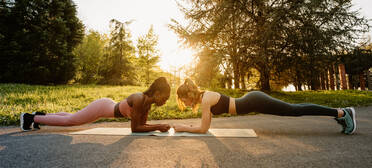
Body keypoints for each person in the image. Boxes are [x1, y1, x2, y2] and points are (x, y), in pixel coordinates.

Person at [173, 78, 356, 135]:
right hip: (254, 102)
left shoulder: (205, 100)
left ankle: (342, 112)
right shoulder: (205, 98)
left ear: (187, 96)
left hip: (254, 101)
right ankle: (340, 112)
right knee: (293, 109)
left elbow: (204, 129)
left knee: (294, 110)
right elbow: (205, 126)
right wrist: (189, 127)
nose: (186, 105)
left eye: (184, 101)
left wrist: (183, 128)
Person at [20, 77, 171, 133]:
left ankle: (39, 116)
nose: (166, 101)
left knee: (72, 117)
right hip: (101, 107)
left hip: (105, 107)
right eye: (165, 97)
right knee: (70, 121)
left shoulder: (146, 105)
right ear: (157, 93)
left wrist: (158, 126)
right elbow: (135, 129)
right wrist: (158, 126)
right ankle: (29, 118)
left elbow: (143, 126)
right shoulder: (139, 99)